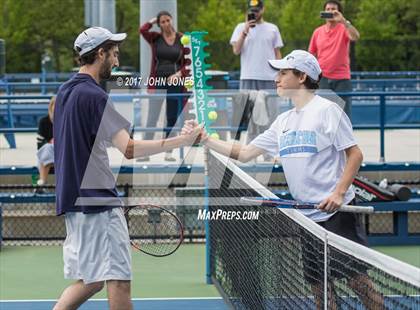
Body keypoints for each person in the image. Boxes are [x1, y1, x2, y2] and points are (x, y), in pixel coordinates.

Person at [183, 50, 383, 309]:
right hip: (307, 219)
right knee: (320, 291)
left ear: (302, 77)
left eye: (283, 73)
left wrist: (338, 193)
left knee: (358, 283)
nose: (276, 78)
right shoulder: (283, 121)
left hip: (337, 216)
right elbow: (245, 153)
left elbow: (354, 154)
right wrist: (207, 140)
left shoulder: (327, 110)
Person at [53, 27, 200, 310]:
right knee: (118, 280)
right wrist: (183, 140)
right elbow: (129, 149)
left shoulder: (64, 92)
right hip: (97, 202)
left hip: (73, 202)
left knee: (92, 279)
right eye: (114, 54)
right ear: (100, 54)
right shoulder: (94, 96)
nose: (117, 62)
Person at [230, 0, 284, 157]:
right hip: (248, 77)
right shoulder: (241, 27)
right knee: (251, 118)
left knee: (271, 117)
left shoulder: (272, 28)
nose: (255, 13)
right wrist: (245, 31)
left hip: (269, 77)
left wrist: (281, 72)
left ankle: (270, 153)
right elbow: (236, 50)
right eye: (252, 10)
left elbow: (277, 52)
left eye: (258, 10)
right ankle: (250, 153)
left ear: (263, 9)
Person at [139, 10, 189, 162]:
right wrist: (153, 20)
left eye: (168, 20)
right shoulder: (155, 38)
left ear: (172, 20)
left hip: (175, 82)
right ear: (159, 24)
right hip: (158, 82)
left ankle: (169, 151)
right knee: (152, 117)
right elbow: (142, 30)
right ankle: (145, 151)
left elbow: (188, 62)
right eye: (163, 22)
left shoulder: (182, 38)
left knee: (172, 116)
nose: (166, 24)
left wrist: (179, 74)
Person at [309, 0, 360, 119]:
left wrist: (344, 21)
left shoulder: (343, 28)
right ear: (324, 11)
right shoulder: (317, 32)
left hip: (342, 78)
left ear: (339, 13)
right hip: (323, 78)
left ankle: (343, 138)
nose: (330, 12)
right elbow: (311, 54)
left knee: (344, 116)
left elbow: (356, 37)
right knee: (322, 115)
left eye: (334, 9)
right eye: (328, 9)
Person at [35, 96, 55, 193]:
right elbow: (40, 145)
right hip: (48, 155)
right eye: (54, 109)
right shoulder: (43, 122)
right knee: (46, 149)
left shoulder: (67, 121)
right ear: (50, 108)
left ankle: (41, 183)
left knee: (45, 154)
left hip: (61, 155)